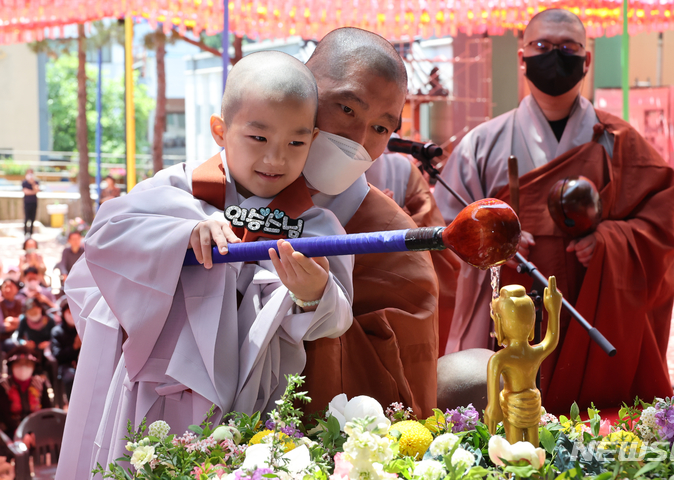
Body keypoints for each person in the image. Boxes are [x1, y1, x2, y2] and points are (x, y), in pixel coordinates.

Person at [58, 51, 353, 478]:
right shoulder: (175, 190)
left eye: (295, 143)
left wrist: (314, 295)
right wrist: (182, 234)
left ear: (314, 139)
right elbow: (104, 240)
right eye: (258, 138)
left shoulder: (316, 224)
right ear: (220, 130)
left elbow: (337, 314)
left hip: (253, 404)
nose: (275, 160)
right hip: (156, 396)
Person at [434, 9, 674, 413]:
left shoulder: (618, 142)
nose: (555, 56)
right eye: (543, 47)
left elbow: (659, 223)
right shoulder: (482, 144)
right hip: (508, 307)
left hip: (591, 302)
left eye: (568, 48)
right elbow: (445, 237)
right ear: (522, 56)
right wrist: (492, 247)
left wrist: (611, 241)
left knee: (595, 421)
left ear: (586, 60)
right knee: (505, 416)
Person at [300, 27, 440, 418]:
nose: (358, 138)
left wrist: (314, 306)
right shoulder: (220, 191)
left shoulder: (395, 240)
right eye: (347, 109)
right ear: (302, 88)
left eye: (381, 128)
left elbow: (400, 392)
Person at [366, 132, 460, 355]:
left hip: (395, 289)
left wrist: (393, 216)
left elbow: (435, 237)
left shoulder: (400, 168)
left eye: (379, 126)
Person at [0, 346, 52, 440]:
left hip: (38, 429)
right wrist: (21, 434)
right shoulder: (4, 386)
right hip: (11, 432)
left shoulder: (40, 383)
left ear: (33, 366)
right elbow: (4, 416)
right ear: (12, 365)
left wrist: (37, 432)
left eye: (28, 364)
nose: (23, 367)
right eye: (18, 364)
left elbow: (47, 410)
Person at [51, 299, 80, 400]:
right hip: (65, 365)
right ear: (63, 314)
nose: (72, 315)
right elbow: (58, 354)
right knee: (71, 377)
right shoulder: (57, 332)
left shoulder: (82, 329)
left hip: (83, 363)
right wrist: (74, 347)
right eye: (69, 312)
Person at [21, 169, 40, 237]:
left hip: (34, 202)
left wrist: (32, 183)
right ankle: (25, 232)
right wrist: (33, 192)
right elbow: (25, 191)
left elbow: (37, 190)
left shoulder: (36, 182)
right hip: (27, 203)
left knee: (33, 218)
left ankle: (31, 233)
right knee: (26, 218)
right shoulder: (24, 182)